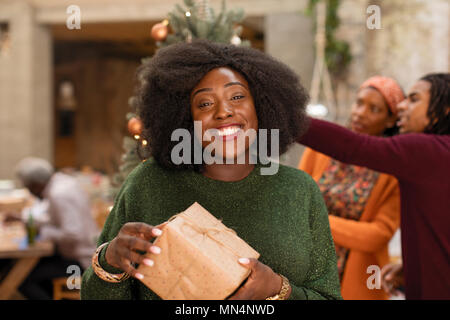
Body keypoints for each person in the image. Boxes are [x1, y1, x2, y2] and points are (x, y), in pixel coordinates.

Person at [81, 40, 342, 300]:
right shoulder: (148, 183)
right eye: (204, 104)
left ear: (261, 106)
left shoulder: (298, 189)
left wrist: (278, 289)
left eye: (237, 97)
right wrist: (110, 261)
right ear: (185, 118)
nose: (223, 112)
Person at [297, 73, 450, 300]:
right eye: (359, 103)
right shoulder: (431, 157)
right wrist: (412, 269)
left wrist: (283, 117)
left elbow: (354, 147)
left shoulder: (424, 152)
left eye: (414, 99)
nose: (403, 107)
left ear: (444, 110)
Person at [298, 76, 403, 299]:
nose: (360, 113)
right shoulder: (322, 149)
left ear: (390, 120)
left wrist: (318, 222)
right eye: (359, 103)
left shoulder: (393, 171)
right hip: (308, 271)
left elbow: (377, 235)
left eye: (373, 109)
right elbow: (296, 201)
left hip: (360, 281)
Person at [15, 157, 99, 299]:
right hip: (82, 253)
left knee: (22, 279)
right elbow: (53, 219)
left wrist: (46, 232)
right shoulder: (62, 182)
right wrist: (25, 219)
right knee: (25, 270)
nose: (30, 193)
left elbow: (73, 234)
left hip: (80, 262)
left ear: (36, 184)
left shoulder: (59, 195)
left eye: (29, 188)